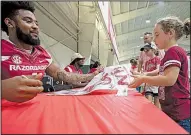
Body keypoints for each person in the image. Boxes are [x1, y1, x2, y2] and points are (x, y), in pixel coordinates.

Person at [1, 1, 101, 103]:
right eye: (28, 21)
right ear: (10, 23)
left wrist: (92, 76)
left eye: (36, 23)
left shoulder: (42, 53)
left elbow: (62, 75)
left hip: (35, 109)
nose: (35, 27)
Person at [129, 16, 190, 133]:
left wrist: (143, 79)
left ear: (170, 33)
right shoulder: (169, 53)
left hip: (179, 112)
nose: (154, 39)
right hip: (172, 109)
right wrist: (144, 74)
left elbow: (169, 79)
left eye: (157, 35)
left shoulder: (174, 52)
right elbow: (159, 71)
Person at [139, 44, 161, 108]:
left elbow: (158, 70)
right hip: (148, 85)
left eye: (147, 50)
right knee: (149, 104)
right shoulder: (146, 62)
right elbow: (144, 73)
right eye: (144, 51)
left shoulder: (157, 59)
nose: (145, 52)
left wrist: (147, 74)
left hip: (156, 84)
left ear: (153, 50)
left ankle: (158, 117)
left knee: (157, 104)